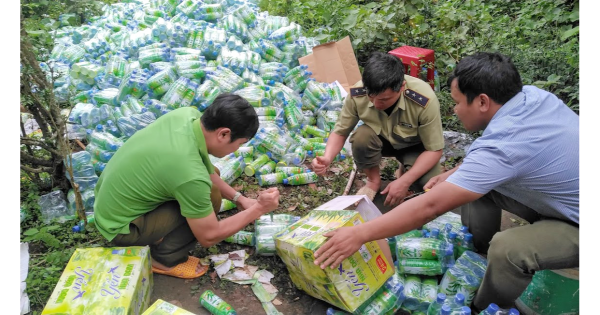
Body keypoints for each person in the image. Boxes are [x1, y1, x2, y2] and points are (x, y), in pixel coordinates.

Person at [312, 52, 580, 311]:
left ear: (483, 102)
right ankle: (476, 253)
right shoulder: (532, 97)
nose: (454, 109)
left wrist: (359, 234)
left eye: (458, 102)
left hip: (573, 221)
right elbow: (501, 156)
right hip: (561, 199)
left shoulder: (505, 145)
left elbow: (431, 207)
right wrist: (454, 174)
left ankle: (484, 306)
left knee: (508, 250)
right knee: (477, 190)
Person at [93, 93, 280, 279]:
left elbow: (205, 170)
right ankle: (164, 259)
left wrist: (240, 199)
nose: (237, 149)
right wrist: (258, 209)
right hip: (121, 228)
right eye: (240, 143)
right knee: (209, 195)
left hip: (107, 204)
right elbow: (209, 236)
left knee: (211, 174)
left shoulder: (186, 115)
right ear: (223, 134)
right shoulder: (190, 174)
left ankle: (155, 230)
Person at [310, 51, 444, 207]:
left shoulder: (423, 98)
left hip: (415, 146)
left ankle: (405, 170)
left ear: (401, 87)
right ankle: (373, 181)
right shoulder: (358, 93)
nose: (375, 104)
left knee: (430, 186)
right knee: (361, 137)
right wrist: (327, 158)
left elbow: (434, 150)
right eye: (371, 97)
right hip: (382, 142)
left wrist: (404, 181)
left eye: (384, 100)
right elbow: (341, 131)